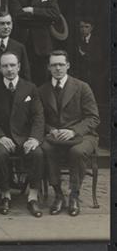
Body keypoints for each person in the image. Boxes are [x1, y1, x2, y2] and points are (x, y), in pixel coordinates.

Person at [38, 51, 99, 217]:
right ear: (48, 67)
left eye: (61, 64)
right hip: (54, 136)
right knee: (46, 149)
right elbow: (39, 118)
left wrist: (73, 131)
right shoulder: (42, 90)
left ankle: (74, 195)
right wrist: (51, 130)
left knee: (77, 152)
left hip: (83, 135)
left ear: (68, 66)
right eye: (54, 65)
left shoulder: (82, 87)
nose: (57, 68)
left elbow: (93, 118)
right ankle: (58, 194)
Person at [0, 52, 45, 218]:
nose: (9, 69)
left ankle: (32, 197)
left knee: (37, 154)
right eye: (5, 66)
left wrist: (34, 138)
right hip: (3, 137)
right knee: (0, 154)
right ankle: (5, 194)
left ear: (19, 67)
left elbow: (38, 116)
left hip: (25, 137)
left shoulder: (30, 88)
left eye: (12, 65)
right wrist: (0, 136)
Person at [7, 0, 62, 85]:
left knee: (43, 78)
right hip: (23, 40)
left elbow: (55, 14)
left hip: (43, 43)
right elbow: (17, 15)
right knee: (24, 78)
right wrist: (44, 18)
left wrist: (33, 10)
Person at [0, 11, 31, 88]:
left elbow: (25, 74)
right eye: (2, 24)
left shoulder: (19, 47)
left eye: (8, 23)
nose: (6, 27)